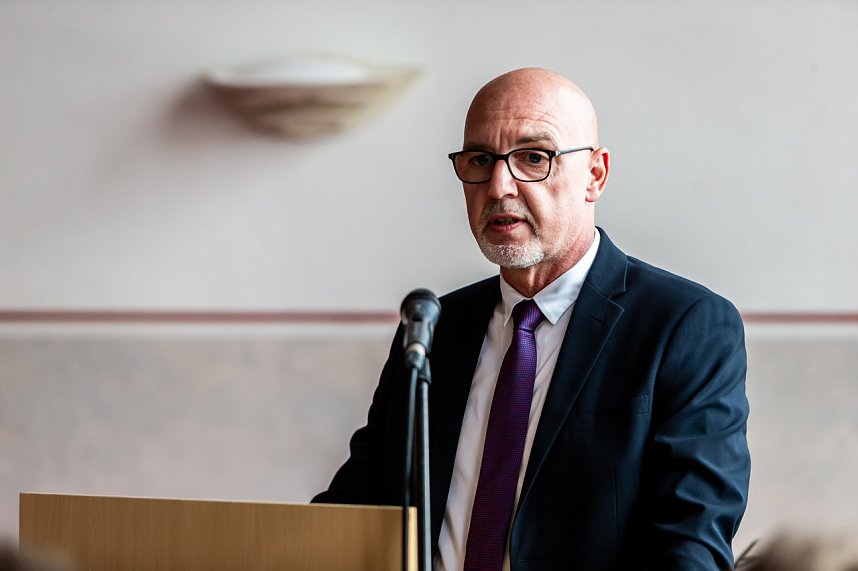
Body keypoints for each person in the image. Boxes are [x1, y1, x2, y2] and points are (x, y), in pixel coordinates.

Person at [313, 68, 751, 570]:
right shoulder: (435, 326)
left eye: (533, 158)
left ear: (595, 175)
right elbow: (357, 511)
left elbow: (691, 542)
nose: (500, 186)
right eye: (480, 159)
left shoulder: (684, 325)